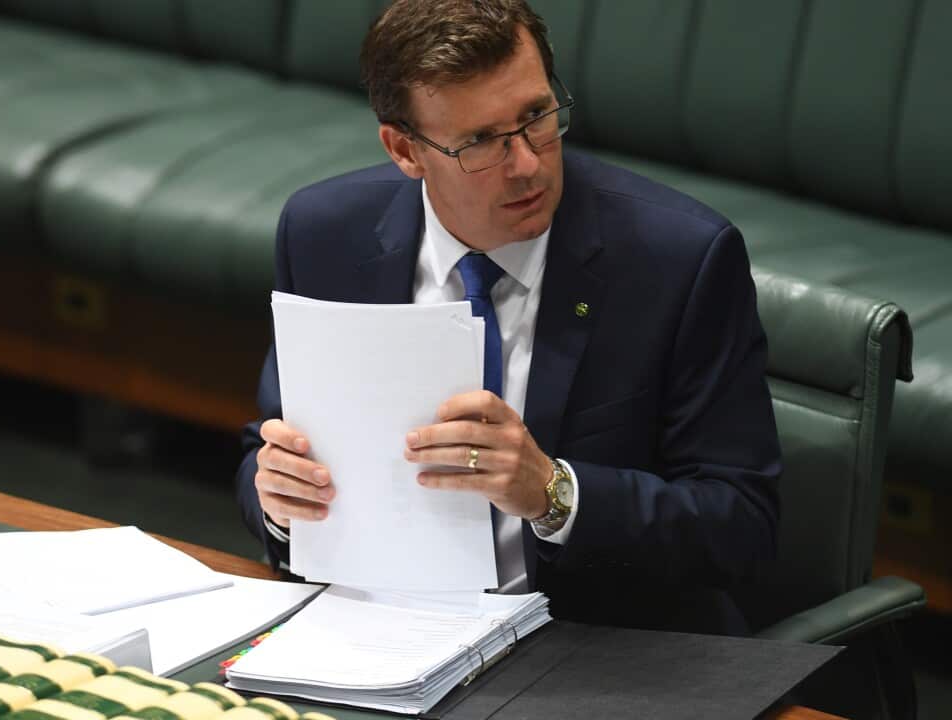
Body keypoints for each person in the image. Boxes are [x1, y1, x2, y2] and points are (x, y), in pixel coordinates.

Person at [235, 0, 780, 635]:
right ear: (404, 150)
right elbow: (269, 449)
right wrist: (278, 499)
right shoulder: (325, 235)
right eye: (481, 142)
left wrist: (554, 494)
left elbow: (742, 525)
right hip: (379, 635)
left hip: (589, 652)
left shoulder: (680, 261)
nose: (526, 163)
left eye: (537, 117)